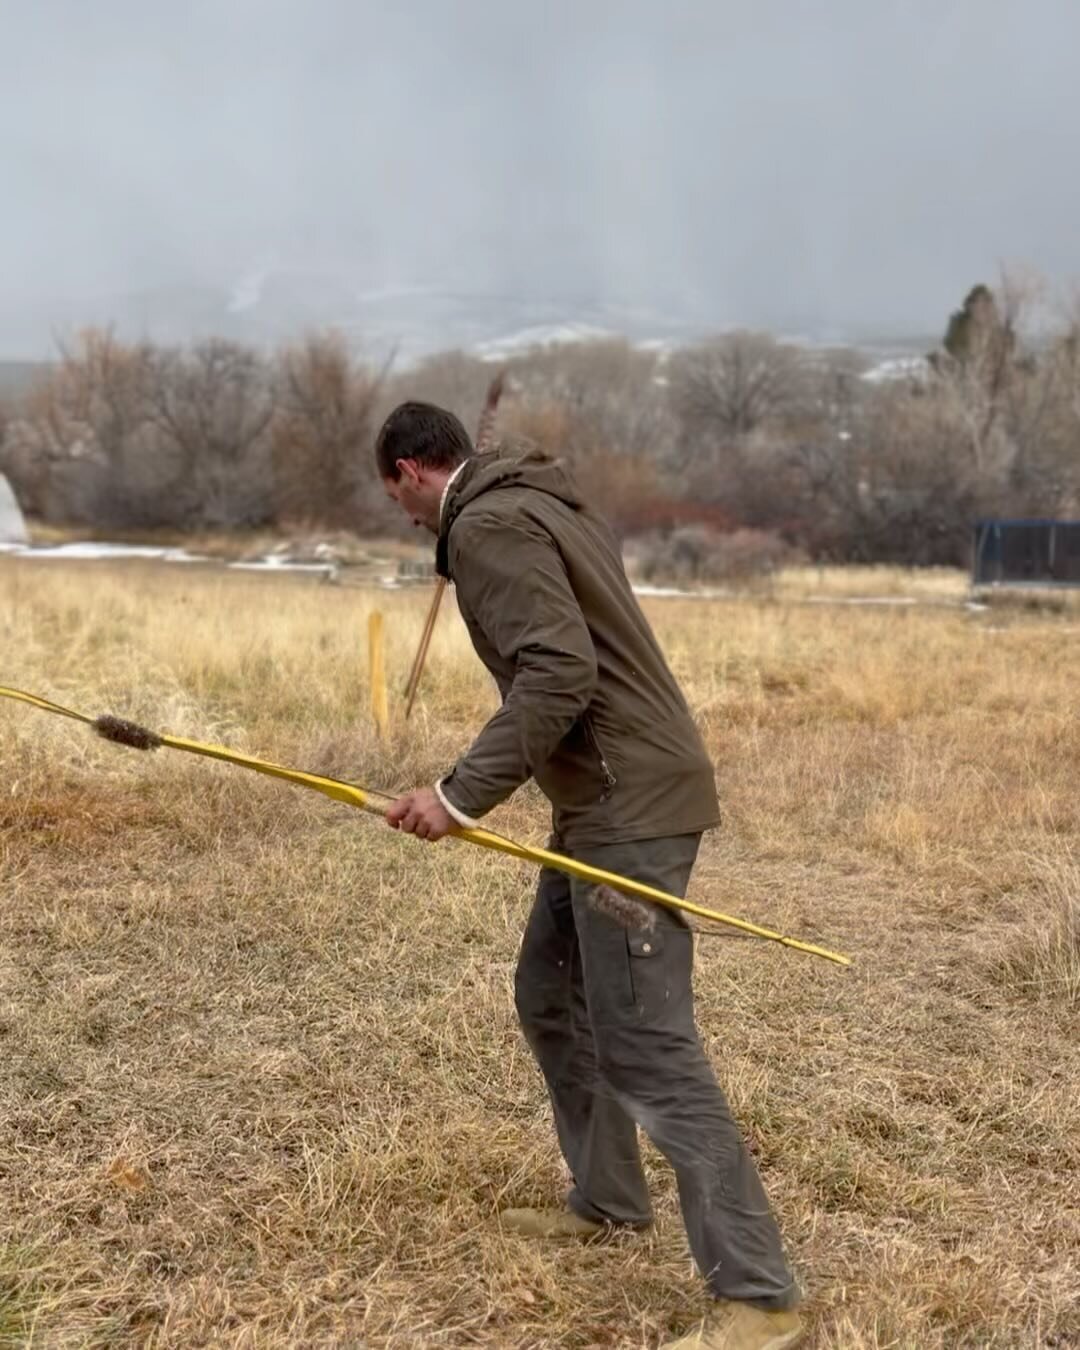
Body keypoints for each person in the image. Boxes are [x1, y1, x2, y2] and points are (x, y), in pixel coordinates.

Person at [375, 401, 802, 1350]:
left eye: (397, 499)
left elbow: (559, 672)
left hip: (628, 803)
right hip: (606, 796)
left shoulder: (486, 523)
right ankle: (610, 1201)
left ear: (409, 471)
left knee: (649, 1039)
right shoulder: (534, 500)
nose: (406, 521)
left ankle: (760, 1299)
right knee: (551, 993)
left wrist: (457, 796)